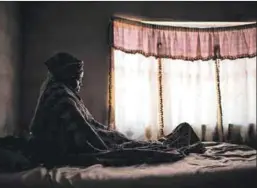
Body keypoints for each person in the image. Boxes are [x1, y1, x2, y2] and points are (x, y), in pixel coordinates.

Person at [29, 52, 205, 167]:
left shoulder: (59, 91)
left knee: (177, 133)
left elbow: (89, 127)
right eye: (78, 78)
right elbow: (87, 136)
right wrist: (112, 145)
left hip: (94, 143)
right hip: (77, 150)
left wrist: (110, 135)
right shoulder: (62, 96)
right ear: (67, 76)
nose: (80, 83)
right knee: (173, 136)